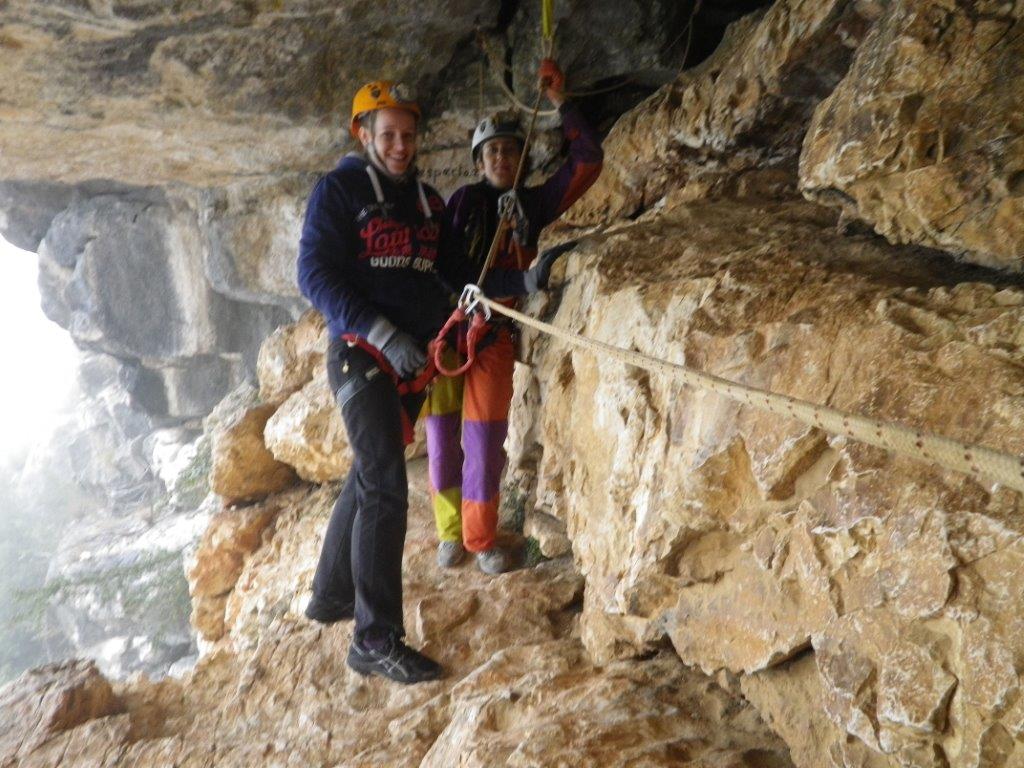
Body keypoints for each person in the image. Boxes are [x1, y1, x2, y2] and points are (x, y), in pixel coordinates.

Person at [297, 80, 539, 684]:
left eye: (408, 135)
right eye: (388, 135)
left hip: (414, 364)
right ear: (363, 135)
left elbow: (460, 277)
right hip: (360, 355)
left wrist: (523, 284)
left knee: (369, 471)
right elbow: (314, 274)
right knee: (384, 482)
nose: (400, 146)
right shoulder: (341, 191)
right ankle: (374, 639)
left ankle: (331, 595)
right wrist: (381, 333)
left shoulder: (430, 204)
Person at [425, 58, 604, 575]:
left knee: (482, 439)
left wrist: (561, 103)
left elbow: (588, 160)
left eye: (510, 149)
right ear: (479, 160)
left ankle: (479, 538)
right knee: (442, 440)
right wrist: (516, 284)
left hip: (494, 335)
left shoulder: (532, 203)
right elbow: (453, 269)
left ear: (523, 157)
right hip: (451, 331)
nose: (502, 157)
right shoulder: (462, 202)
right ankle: (448, 532)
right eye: (493, 151)